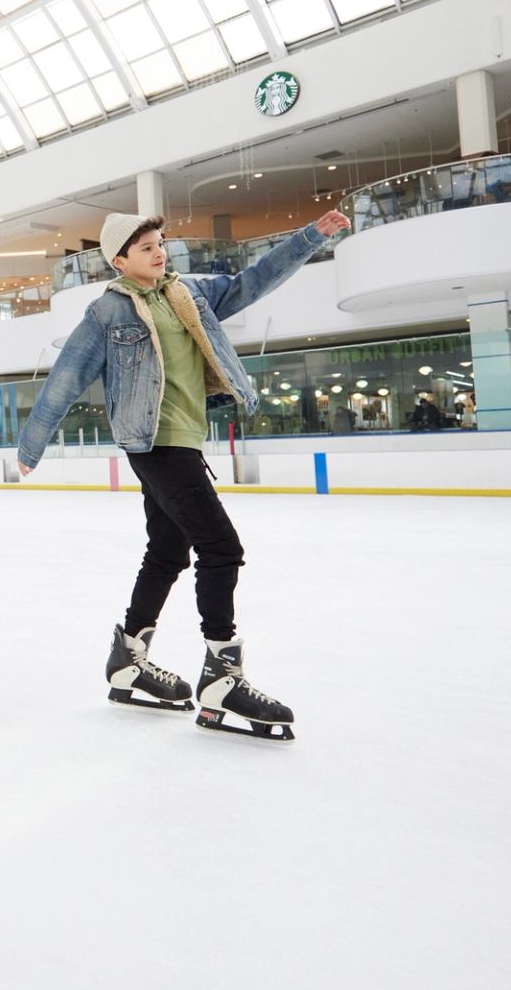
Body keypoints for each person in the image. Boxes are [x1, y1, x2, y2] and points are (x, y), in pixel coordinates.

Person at [17, 209, 349, 742]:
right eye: (145, 246)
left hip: (185, 441)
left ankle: (127, 661)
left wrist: (310, 238)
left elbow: (251, 283)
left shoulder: (187, 294)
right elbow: (67, 376)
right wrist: (32, 443)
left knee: (168, 553)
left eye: (160, 242)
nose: (158, 251)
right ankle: (222, 675)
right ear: (119, 260)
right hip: (154, 444)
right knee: (221, 547)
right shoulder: (107, 312)